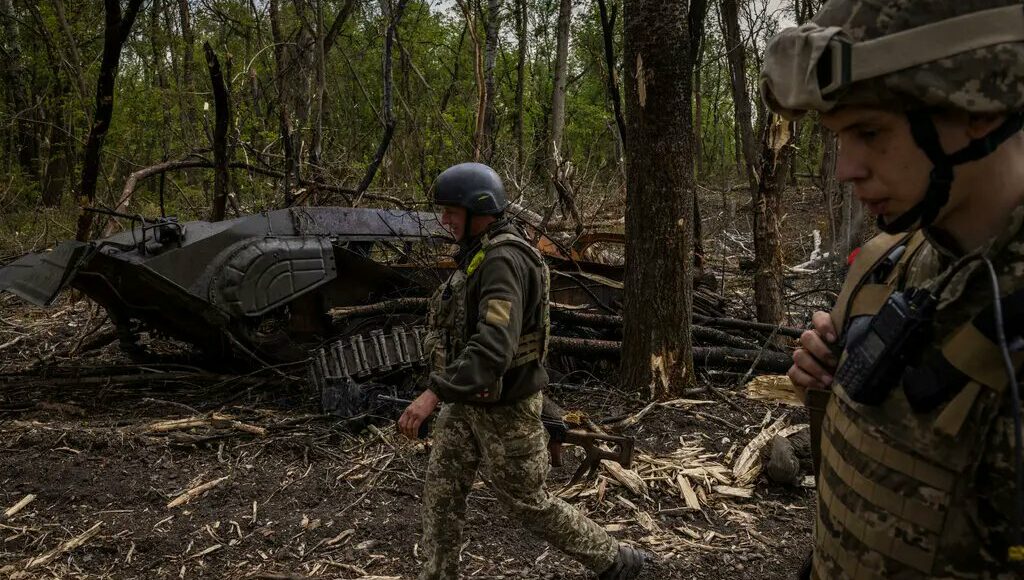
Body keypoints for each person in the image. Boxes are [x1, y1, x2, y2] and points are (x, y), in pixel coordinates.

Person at [762, 1, 1024, 578]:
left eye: (870, 131)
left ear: (977, 105)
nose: (845, 169)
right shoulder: (893, 263)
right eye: (838, 137)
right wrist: (829, 387)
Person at [397, 162, 649, 580]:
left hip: (506, 409)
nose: (444, 220)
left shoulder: (502, 261)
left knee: (527, 502)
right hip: (469, 401)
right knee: (442, 491)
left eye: (451, 212)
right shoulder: (478, 254)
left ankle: (615, 560)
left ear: (478, 211)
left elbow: (494, 347)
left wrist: (432, 394)